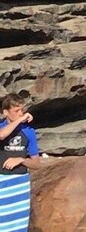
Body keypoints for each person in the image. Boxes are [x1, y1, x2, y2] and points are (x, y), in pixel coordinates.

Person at [0, 94, 40, 232]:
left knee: (18, 226)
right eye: (16, 111)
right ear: (5, 112)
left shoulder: (28, 131)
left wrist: (21, 160)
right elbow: (2, 136)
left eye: (21, 111)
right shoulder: (1, 127)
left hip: (19, 184)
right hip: (1, 181)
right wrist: (19, 121)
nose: (20, 114)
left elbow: (36, 164)